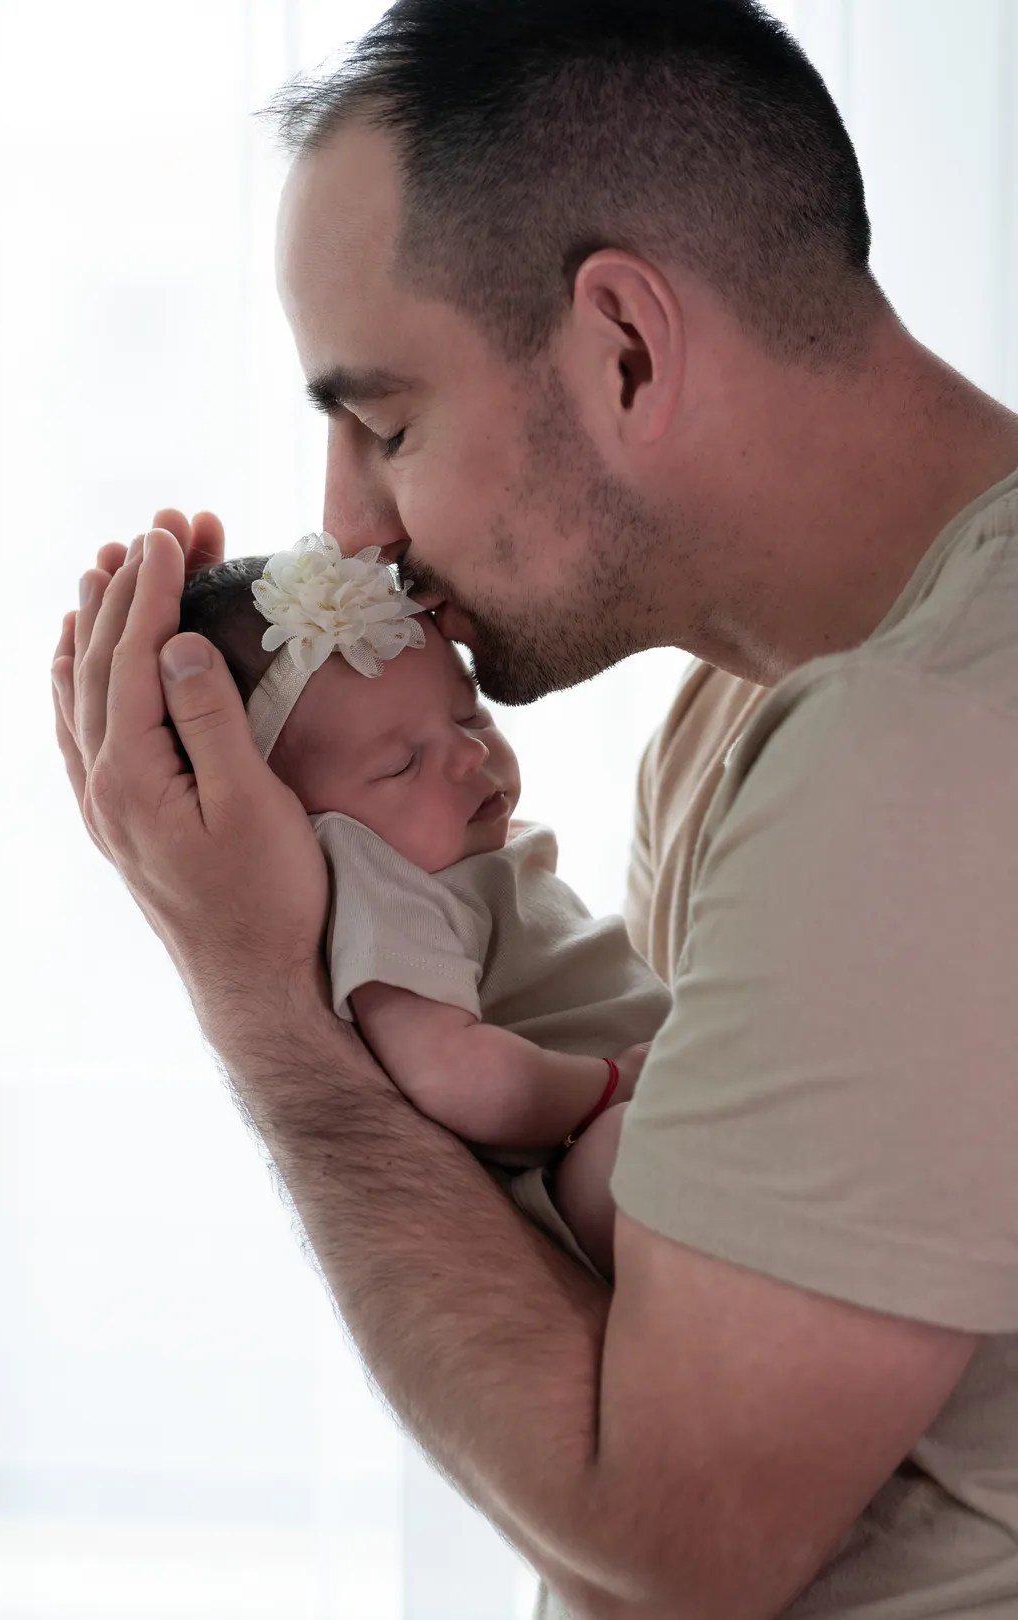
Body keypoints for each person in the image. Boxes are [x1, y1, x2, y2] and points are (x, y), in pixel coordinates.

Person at [51, 2, 1018, 1616]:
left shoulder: (923, 753)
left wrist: (264, 1003)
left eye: (390, 426)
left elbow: (666, 1546)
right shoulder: (746, 721)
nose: (347, 533)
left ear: (625, 347)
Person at [180, 535, 669, 1280]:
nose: (470, 754)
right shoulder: (377, 881)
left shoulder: (453, 864)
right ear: (302, 824)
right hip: (585, 1145)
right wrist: (616, 1081)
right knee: (641, 1158)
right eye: (402, 762)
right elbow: (461, 1077)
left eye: (468, 717)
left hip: (653, 1090)